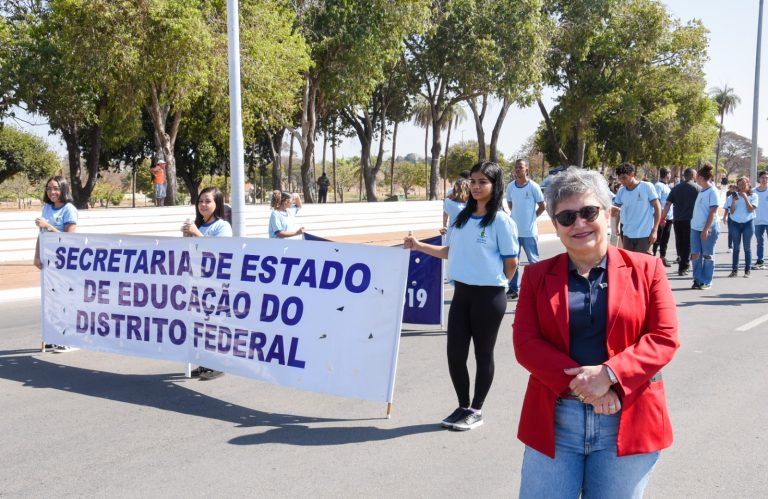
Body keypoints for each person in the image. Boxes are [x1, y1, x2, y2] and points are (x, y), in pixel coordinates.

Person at [512, 167, 679, 498]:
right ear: (556, 226)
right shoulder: (536, 276)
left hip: (627, 418)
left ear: (608, 213)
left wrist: (609, 375)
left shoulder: (647, 270)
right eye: (567, 217)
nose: (579, 223)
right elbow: (526, 344)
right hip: (557, 421)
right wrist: (588, 387)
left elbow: (663, 338)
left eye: (588, 212)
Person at [404, 161, 518, 431]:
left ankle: (477, 409)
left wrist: (498, 283)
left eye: (483, 182)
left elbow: (511, 262)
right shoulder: (462, 219)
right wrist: (419, 246)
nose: (476, 187)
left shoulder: (501, 221)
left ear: (495, 185)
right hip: (462, 293)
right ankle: (463, 405)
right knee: (455, 354)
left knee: (482, 353)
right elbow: (449, 252)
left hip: (489, 297)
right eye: (474, 181)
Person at [181, 187, 233, 380]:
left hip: (215, 283)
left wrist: (197, 234)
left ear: (217, 204)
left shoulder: (222, 226)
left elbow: (218, 253)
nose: (203, 205)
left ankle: (217, 364)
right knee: (199, 325)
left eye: (207, 201)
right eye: (200, 201)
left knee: (214, 325)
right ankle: (204, 363)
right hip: (197, 282)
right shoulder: (198, 225)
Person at [34, 175, 79, 353]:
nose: (52, 192)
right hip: (49, 261)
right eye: (49, 188)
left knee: (64, 300)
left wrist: (48, 225)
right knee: (51, 300)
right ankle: (55, 336)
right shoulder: (47, 208)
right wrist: (37, 255)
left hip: (65, 261)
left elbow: (69, 238)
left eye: (56, 188)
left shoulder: (69, 209)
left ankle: (70, 338)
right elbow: (41, 234)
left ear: (63, 189)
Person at [505, 159, 546, 300]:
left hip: (529, 232)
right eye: (516, 167)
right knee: (513, 261)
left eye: (521, 167)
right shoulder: (510, 187)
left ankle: (538, 288)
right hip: (514, 232)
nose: (518, 170)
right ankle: (513, 289)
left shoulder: (533, 186)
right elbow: (510, 204)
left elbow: (542, 205)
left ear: (526, 169)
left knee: (533, 262)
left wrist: (532, 217)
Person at [611, 163, 661, 254]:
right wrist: (615, 228)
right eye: (620, 178)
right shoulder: (621, 191)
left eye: (624, 178)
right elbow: (615, 211)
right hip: (626, 235)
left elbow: (657, 208)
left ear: (632, 174)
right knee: (629, 264)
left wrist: (655, 230)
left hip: (644, 235)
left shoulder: (647, 187)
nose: (622, 181)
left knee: (642, 265)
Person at [660, 168, 700, 276]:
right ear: (693, 176)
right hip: (690, 219)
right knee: (687, 243)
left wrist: (662, 217)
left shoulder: (676, 188)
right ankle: (684, 266)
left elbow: (668, 203)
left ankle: (682, 262)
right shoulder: (697, 188)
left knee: (680, 242)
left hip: (677, 219)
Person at [690, 163, 721, 290]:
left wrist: (706, 229)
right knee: (695, 254)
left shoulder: (712, 191)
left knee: (707, 255)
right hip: (695, 228)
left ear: (701, 178)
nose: (695, 178)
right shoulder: (702, 191)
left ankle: (706, 281)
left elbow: (713, 212)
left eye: (697, 177)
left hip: (708, 228)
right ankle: (697, 279)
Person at [723, 176, 757, 277]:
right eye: (739, 184)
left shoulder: (753, 196)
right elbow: (731, 211)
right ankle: (734, 270)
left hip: (748, 223)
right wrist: (733, 201)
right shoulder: (731, 197)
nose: (741, 186)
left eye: (744, 184)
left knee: (747, 247)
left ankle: (747, 270)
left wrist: (745, 197)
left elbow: (751, 210)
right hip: (735, 223)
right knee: (736, 248)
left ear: (748, 184)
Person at [652, 168, 673, 267]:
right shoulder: (658, 186)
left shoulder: (667, 186)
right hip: (662, 217)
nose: (670, 175)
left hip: (669, 216)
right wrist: (661, 218)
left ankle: (662, 257)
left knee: (665, 238)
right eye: (669, 173)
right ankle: (653, 256)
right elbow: (658, 202)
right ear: (666, 175)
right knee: (658, 238)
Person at [752, 171, 768, 270]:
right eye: (763, 177)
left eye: (766, 177)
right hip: (757, 221)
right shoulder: (753, 191)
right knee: (759, 242)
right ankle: (760, 260)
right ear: (759, 179)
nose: (765, 179)